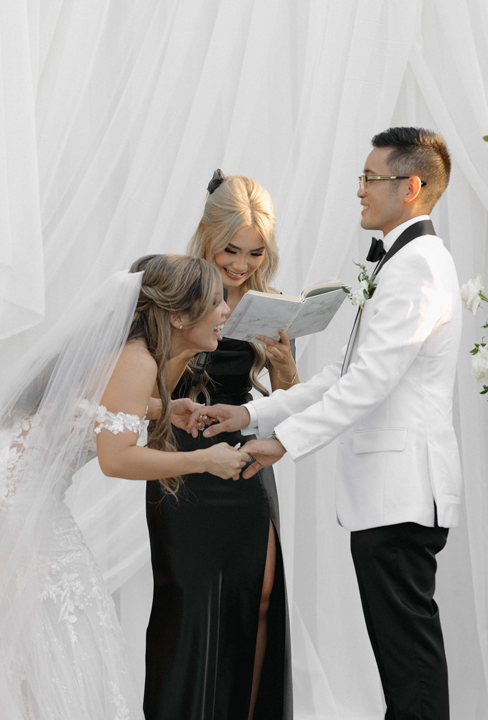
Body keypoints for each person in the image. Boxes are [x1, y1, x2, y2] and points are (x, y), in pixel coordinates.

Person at [0, 255, 250, 720]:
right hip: (15, 489)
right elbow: (117, 458)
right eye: (215, 302)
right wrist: (203, 459)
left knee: (20, 624)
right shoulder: (138, 358)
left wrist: (164, 409)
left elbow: (90, 401)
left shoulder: (126, 350)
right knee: (72, 611)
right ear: (178, 314)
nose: (226, 311)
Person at [196, 127, 461, 719]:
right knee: (402, 666)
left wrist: (280, 444)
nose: (360, 191)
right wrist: (250, 412)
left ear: (411, 187)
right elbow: (343, 376)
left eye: (371, 179)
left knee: (410, 669)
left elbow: (369, 385)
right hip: (386, 497)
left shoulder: (416, 267)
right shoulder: (398, 262)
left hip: (401, 495)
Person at [143, 172, 295, 720]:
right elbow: (140, 387)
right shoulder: (174, 292)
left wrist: (283, 365)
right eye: (231, 249)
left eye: (255, 253)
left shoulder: (271, 304)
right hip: (180, 462)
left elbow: (289, 404)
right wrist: (199, 328)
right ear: (207, 236)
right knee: (187, 609)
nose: (241, 264)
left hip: (247, 466)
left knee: (257, 602)